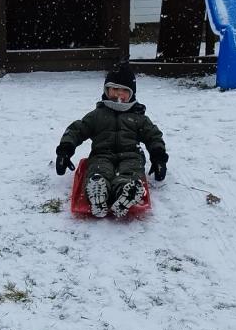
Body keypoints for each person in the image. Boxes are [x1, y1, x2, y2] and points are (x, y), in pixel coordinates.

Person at [55, 62, 168, 217]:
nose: (118, 94)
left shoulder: (138, 117)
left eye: (124, 90)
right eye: (114, 89)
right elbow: (77, 130)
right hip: (102, 154)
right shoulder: (97, 115)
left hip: (131, 155)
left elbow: (153, 136)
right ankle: (98, 192)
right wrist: (65, 150)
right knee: (99, 170)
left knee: (131, 171)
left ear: (132, 94)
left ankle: (126, 192)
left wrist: (158, 157)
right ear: (106, 90)